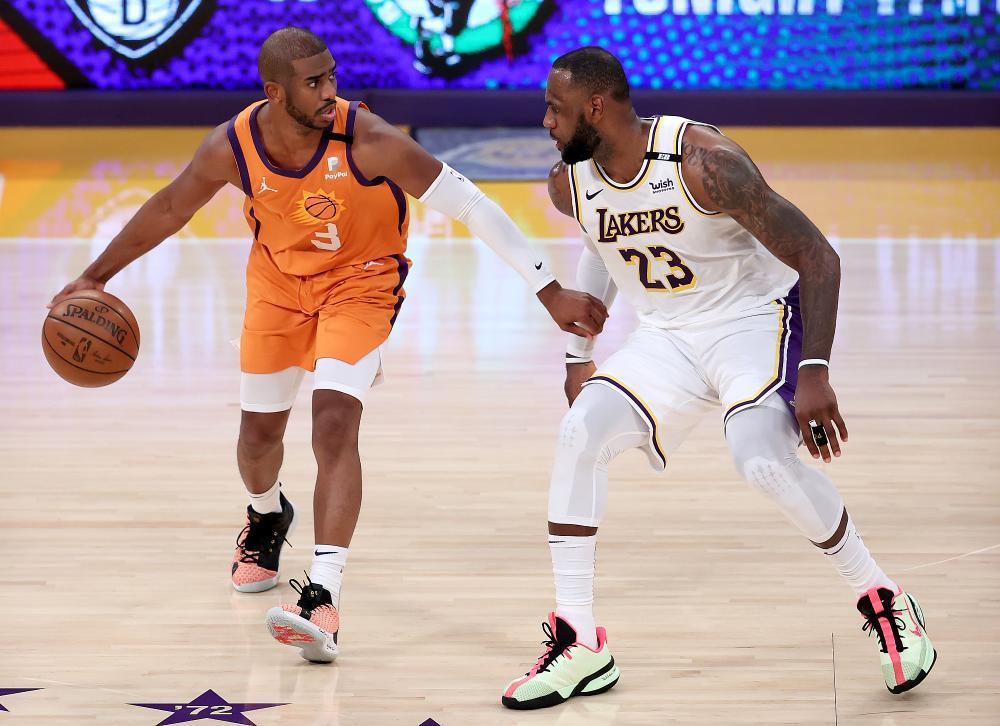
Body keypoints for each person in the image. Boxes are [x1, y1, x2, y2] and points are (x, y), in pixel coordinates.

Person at [48, 27, 608, 665]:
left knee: (334, 422)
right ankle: (267, 515)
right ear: (274, 92)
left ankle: (322, 594)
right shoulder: (233, 146)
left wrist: (550, 291)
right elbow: (171, 207)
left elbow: (472, 205)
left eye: (331, 77)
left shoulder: (368, 139)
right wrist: (94, 277)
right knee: (258, 438)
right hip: (278, 287)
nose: (328, 91)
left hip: (362, 284)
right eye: (313, 82)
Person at [501, 46, 936, 710]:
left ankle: (883, 596)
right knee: (579, 433)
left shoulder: (704, 164)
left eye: (555, 109)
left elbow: (817, 255)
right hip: (667, 337)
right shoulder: (569, 184)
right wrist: (577, 354)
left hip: (752, 322)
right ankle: (581, 640)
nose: (545, 122)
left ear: (596, 107)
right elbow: (600, 243)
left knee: (759, 459)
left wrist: (814, 370)